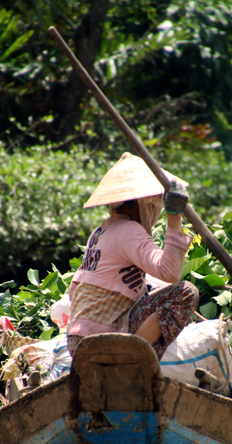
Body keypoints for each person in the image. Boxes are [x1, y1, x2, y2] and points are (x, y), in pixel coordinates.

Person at [66, 152, 199, 361]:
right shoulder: (129, 230)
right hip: (100, 342)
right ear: (142, 203)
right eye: (153, 204)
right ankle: (130, 360)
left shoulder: (100, 231)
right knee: (185, 293)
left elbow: (74, 291)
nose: (155, 211)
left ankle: (127, 354)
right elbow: (171, 272)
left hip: (76, 341)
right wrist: (174, 216)